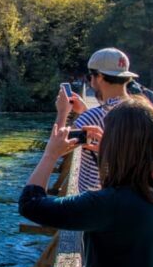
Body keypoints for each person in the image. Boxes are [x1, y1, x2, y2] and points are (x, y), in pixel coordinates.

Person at [19, 97, 153, 267]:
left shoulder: (109, 205)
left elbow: (31, 203)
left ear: (116, 144)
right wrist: (112, 154)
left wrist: (50, 154)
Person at [56, 47, 137, 193]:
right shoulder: (142, 111)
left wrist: (62, 113)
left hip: (96, 200)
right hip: (130, 196)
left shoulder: (95, 116)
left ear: (98, 76)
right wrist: (85, 111)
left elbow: (57, 148)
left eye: (90, 76)